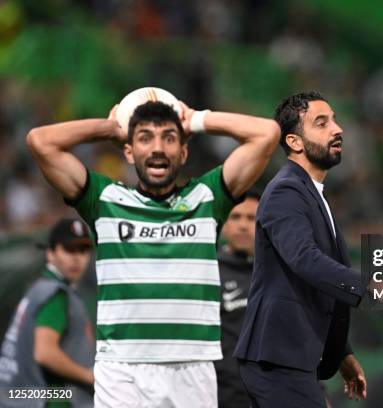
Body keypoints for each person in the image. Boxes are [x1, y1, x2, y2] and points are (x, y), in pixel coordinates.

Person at [26, 98, 280, 407]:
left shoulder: (207, 197)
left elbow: (267, 134)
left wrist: (197, 120)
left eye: (169, 138)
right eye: (145, 138)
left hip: (192, 367)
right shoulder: (104, 199)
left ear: (184, 152)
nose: (158, 148)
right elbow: (40, 141)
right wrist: (112, 127)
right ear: (129, 152)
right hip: (122, 369)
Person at [235, 91, 371, 408]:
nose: (337, 129)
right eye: (321, 123)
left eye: (335, 120)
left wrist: (342, 352)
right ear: (295, 142)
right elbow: (305, 261)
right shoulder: (286, 190)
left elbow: (307, 287)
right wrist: (368, 286)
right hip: (277, 360)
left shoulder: (311, 193)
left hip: (292, 360)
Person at [0, 218, 95, 408]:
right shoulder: (55, 294)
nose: (77, 258)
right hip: (44, 398)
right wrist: (89, 377)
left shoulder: (38, 289)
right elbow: (45, 353)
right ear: (50, 253)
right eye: (69, 249)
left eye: (83, 251)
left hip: (16, 396)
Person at [214, 190, 260, 408]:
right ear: (224, 223)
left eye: (251, 218)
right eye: (236, 217)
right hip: (222, 398)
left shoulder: (280, 274)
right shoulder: (208, 273)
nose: (243, 225)